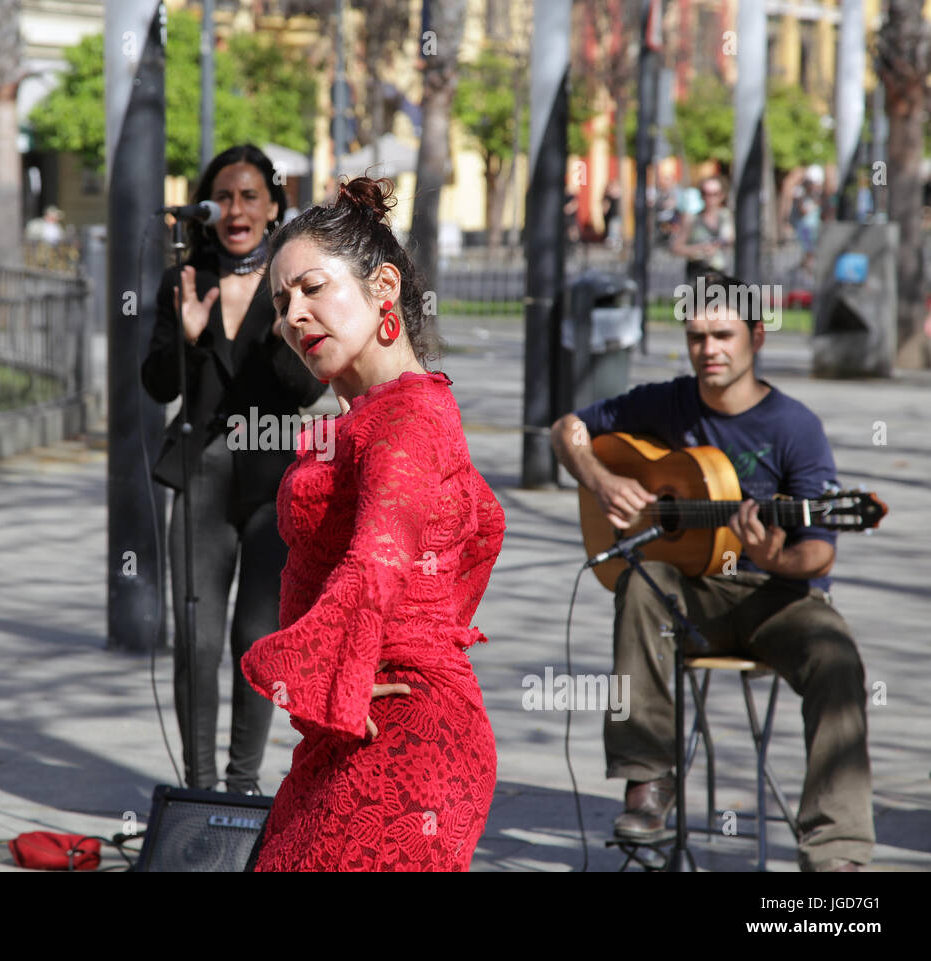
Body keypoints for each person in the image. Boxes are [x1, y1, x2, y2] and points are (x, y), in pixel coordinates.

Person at [549, 270, 874, 873]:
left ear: (757, 337)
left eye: (723, 335)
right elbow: (566, 429)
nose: (709, 350)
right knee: (642, 580)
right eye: (697, 336)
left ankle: (836, 852)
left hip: (777, 597)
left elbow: (819, 553)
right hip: (691, 596)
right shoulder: (665, 402)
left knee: (837, 659)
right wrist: (601, 478)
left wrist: (777, 555)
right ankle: (646, 783)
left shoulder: (794, 427)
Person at [239, 176, 506, 871]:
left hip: (402, 733)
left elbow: (378, 559)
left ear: (382, 286)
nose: (293, 315)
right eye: (281, 300)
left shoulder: (408, 414)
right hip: (360, 717)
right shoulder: (381, 413)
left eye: (312, 288)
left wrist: (340, 669)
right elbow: (477, 533)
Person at [141, 144, 326, 794]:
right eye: (225, 196)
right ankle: (197, 789)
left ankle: (244, 788)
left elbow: (304, 392)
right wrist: (189, 337)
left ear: (274, 206)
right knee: (195, 640)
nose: (237, 209)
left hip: (274, 483)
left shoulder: (295, 285)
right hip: (201, 476)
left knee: (259, 644)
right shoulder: (185, 278)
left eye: (251, 196)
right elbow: (157, 381)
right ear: (207, 206)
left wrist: (284, 331)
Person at [671, 174, 734, 283]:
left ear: (722, 195)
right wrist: (699, 249)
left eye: (715, 194)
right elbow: (676, 247)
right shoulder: (692, 219)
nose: (710, 198)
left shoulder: (727, 217)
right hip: (697, 274)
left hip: (721, 274)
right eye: (706, 193)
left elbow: (733, 240)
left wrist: (721, 244)